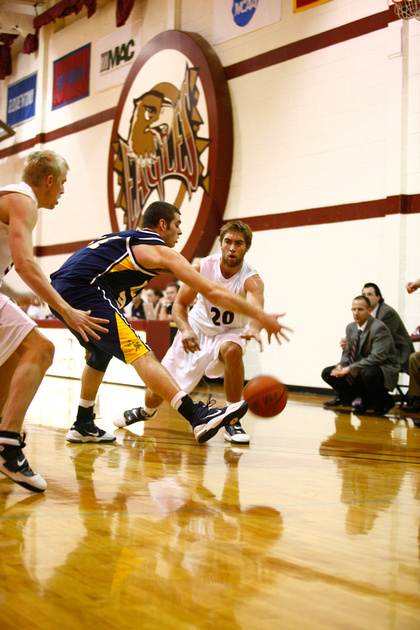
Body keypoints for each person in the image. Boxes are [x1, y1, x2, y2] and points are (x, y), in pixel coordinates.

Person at [49, 202, 292, 446]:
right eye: (177, 225)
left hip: (66, 291)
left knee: (99, 355)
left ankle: (83, 423)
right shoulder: (158, 250)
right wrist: (262, 316)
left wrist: (255, 321)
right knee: (140, 351)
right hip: (85, 291)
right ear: (162, 225)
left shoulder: (129, 241)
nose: (180, 231)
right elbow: (210, 292)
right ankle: (196, 414)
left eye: (238, 243)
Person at [0, 150, 108, 493]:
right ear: (48, 181)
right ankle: (8, 445)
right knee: (42, 348)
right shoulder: (23, 202)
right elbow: (26, 263)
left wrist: (14, 293)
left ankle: (4, 432)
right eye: (62, 183)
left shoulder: (9, 197)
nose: (62, 191)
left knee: (15, 354)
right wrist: (65, 309)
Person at [115, 220, 269, 445]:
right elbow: (179, 305)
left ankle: (233, 419)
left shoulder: (252, 280)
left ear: (247, 247)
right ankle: (146, 411)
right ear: (221, 243)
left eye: (239, 243)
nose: (233, 247)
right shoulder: (202, 267)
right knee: (156, 393)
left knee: (233, 350)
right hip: (196, 330)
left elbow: (257, 311)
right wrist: (185, 330)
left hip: (228, 332)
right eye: (228, 241)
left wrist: (254, 328)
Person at [322, 295, 400, 415]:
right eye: (354, 309)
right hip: (362, 366)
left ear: (369, 311)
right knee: (328, 373)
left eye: (360, 309)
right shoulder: (350, 327)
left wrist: (349, 369)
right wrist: (341, 365)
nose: (356, 313)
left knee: (366, 373)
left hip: (383, 367)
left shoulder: (379, 327)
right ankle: (357, 398)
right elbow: (347, 353)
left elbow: (377, 358)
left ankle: (384, 401)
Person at [340, 283, 414, 373]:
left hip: (397, 354)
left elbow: (383, 342)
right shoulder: (363, 313)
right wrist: (349, 342)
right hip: (377, 351)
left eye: (369, 294)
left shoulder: (387, 313)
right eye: (364, 295)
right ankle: (342, 371)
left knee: (365, 368)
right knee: (349, 352)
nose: (366, 297)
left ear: (378, 297)